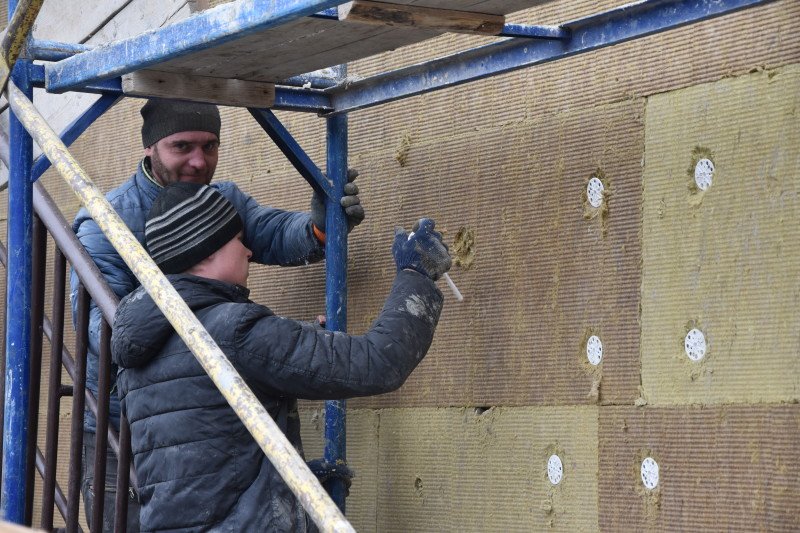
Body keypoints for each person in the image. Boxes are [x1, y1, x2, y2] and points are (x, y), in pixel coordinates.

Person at [71, 99, 365, 531]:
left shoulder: (222, 199)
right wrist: (260, 342)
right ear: (150, 147)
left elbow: (274, 233)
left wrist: (320, 228)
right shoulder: (104, 222)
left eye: (210, 146)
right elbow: (104, 333)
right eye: (182, 146)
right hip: (122, 431)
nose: (198, 161)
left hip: (209, 429)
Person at [109, 182, 450, 532]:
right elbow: (377, 362)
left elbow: (206, 470)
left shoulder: (138, 354)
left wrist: (284, 489)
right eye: (238, 240)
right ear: (205, 252)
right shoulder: (234, 331)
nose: (248, 252)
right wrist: (416, 275)